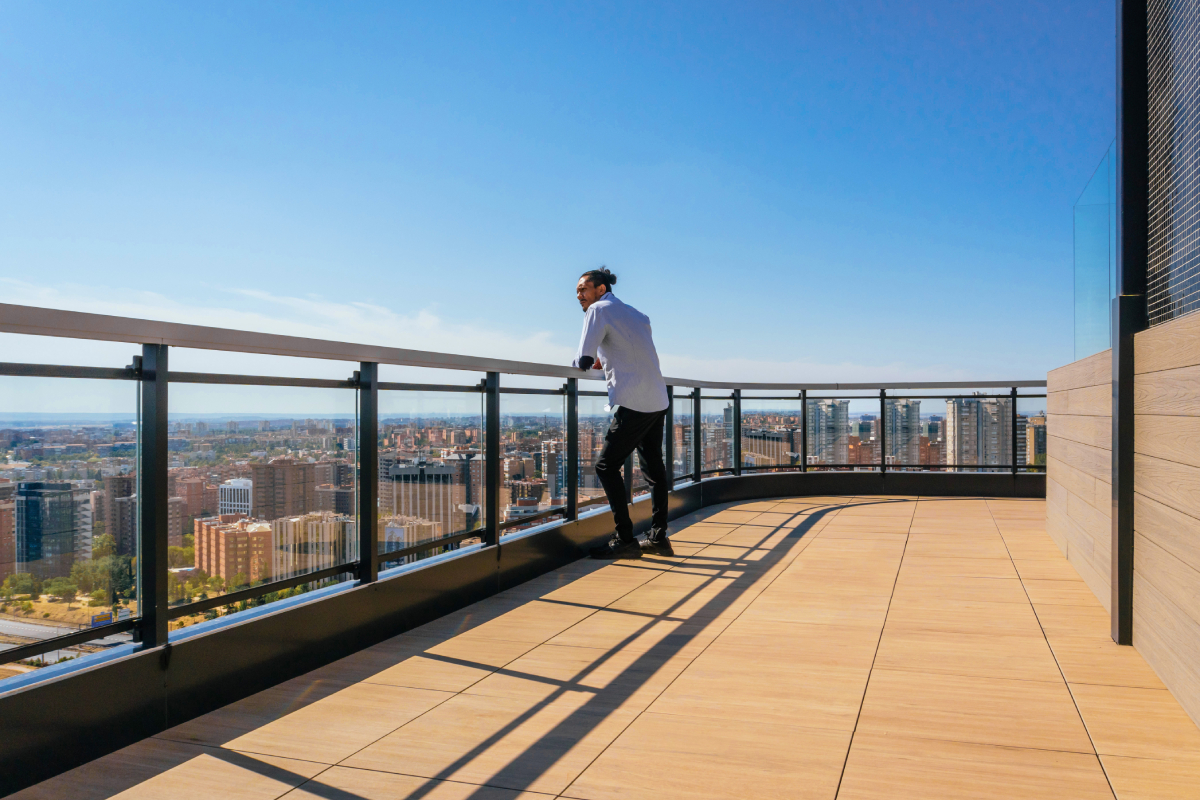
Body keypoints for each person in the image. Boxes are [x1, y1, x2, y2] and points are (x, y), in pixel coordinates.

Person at [573, 267, 673, 558]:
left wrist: (589, 359)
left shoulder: (598, 311)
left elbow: (583, 359)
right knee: (654, 469)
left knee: (606, 466)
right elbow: (629, 351)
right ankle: (658, 537)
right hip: (658, 397)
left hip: (634, 400)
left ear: (601, 290)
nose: (579, 295)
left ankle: (625, 540)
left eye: (583, 289)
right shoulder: (638, 315)